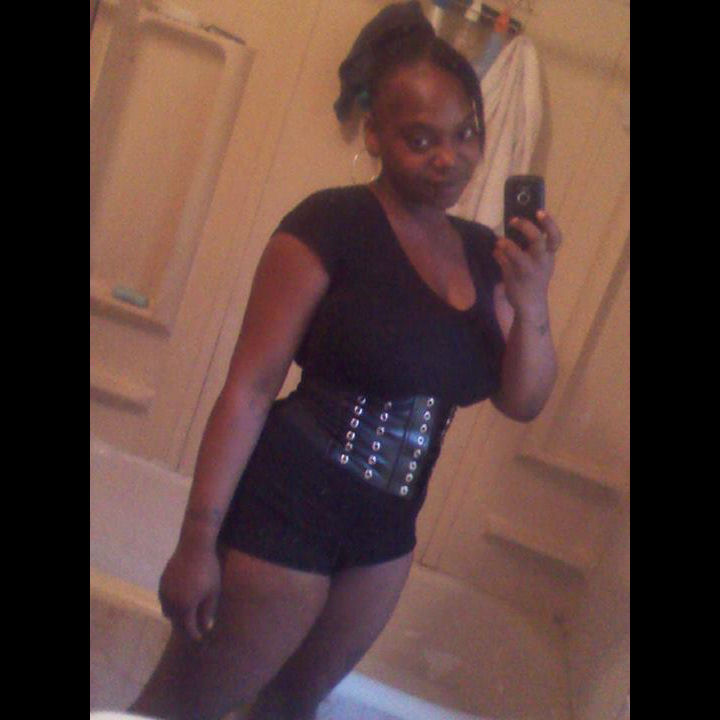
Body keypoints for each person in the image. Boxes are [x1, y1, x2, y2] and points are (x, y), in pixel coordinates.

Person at [128, 2, 561, 719]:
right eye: (420, 138)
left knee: (292, 707)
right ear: (375, 135)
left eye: (465, 134)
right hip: (290, 503)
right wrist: (197, 542)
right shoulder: (328, 223)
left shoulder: (490, 255)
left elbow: (524, 401)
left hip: (387, 536)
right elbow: (250, 388)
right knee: (182, 706)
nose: (449, 157)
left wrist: (534, 297)